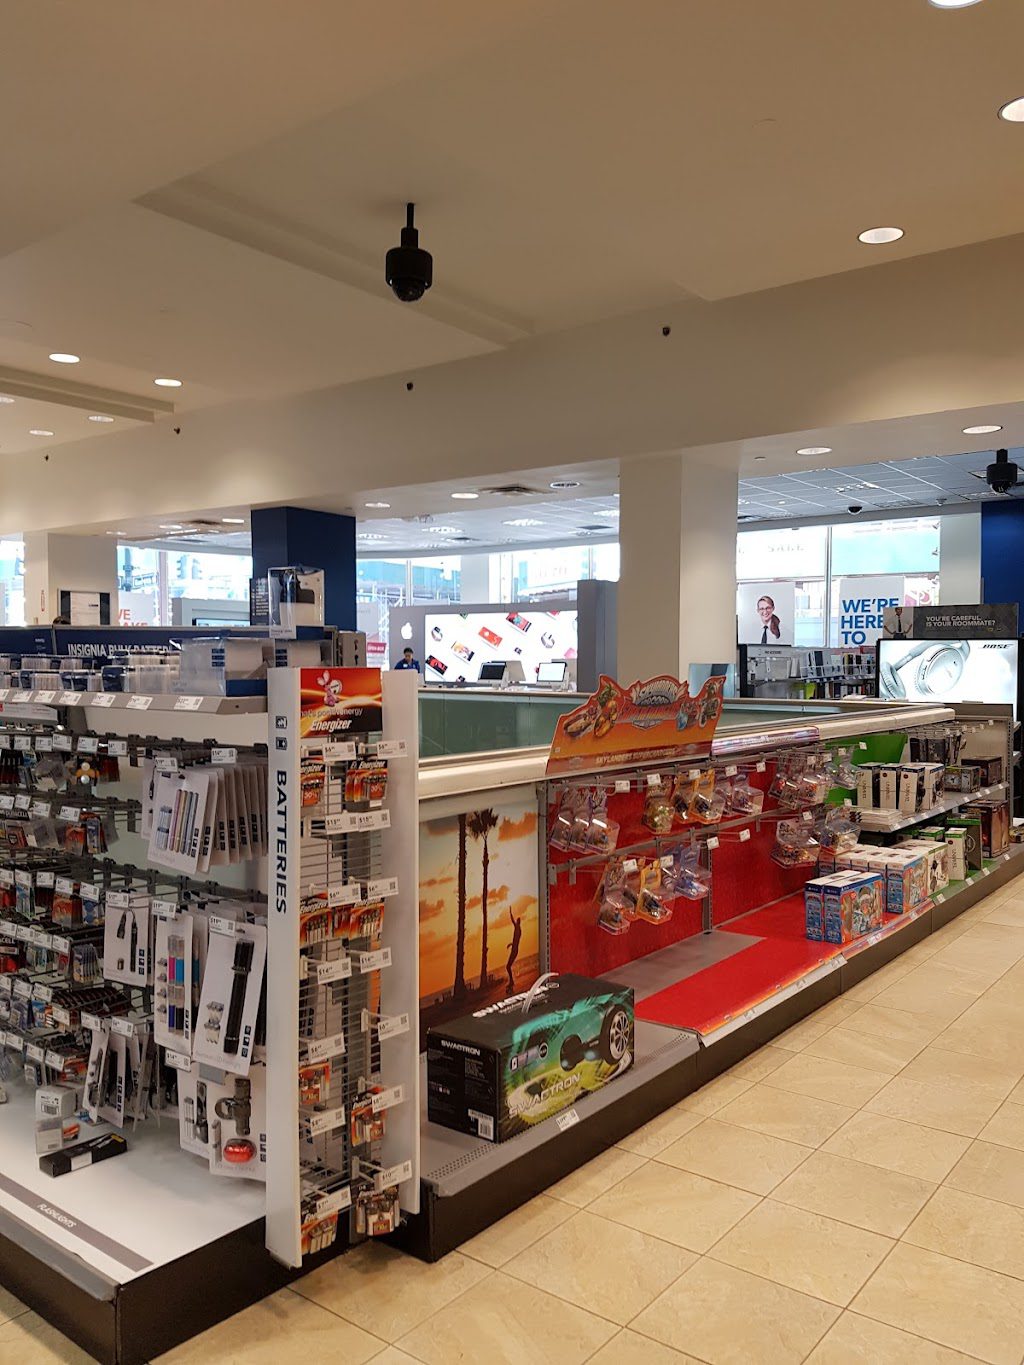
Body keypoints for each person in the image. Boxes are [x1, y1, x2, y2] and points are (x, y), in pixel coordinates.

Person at [506, 906, 523, 995]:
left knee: (508, 966)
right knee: (508, 966)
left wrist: (510, 913)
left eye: (516, 921)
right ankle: (511, 981)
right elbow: (516, 941)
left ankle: (511, 981)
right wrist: (511, 944)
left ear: (518, 922)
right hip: (515, 949)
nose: (515, 922)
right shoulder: (519, 930)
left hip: (514, 950)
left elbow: (512, 920)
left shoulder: (517, 929)